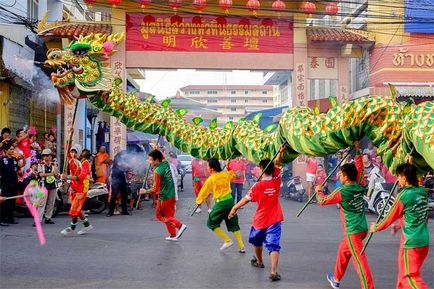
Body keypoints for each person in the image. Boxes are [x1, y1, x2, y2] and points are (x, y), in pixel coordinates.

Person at [315, 141, 374, 289]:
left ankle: (368, 287)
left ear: (346, 176)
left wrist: (318, 190)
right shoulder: (359, 184)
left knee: (360, 263)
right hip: (362, 229)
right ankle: (335, 279)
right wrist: (357, 151)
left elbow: (322, 201)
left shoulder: (343, 191)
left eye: (340, 174)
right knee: (343, 252)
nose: (338, 176)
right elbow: (360, 168)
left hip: (353, 232)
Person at [228, 146, 285, 282]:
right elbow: (277, 163)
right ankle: (273, 272)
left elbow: (245, 200)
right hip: (275, 219)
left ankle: (259, 261)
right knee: (273, 245)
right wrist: (281, 152)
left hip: (260, 221)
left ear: (261, 169)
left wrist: (234, 208)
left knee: (257, 242)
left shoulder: (257, 186)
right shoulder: (277, 179)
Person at [370, 163, 429, 289]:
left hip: (411, 244)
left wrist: (376, 226)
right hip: (423, 241)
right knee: (403, 276)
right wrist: (398, 226)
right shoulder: (422, 192)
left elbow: (390, 216)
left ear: (404, 177)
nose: (397, 180)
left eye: (398, 177)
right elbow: (415, 216)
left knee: (409, 277)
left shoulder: (404, 196)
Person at [196, 158, 245, 252]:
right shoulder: (225, 174)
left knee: (211, 222)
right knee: (233, 223)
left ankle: (227, 240)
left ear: (211, 168)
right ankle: (241, 246)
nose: (206, 167)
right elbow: (235, 174)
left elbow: (204, 191)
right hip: (230, 201)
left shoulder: (211, 179)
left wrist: (198, 201)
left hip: (221, 203)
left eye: (207, 166)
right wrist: (228, 167)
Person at [139, 150, 187, 241]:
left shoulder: (157, 171)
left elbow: (154, 189)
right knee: (169, 215)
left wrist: (145, 191)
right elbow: (163, 156)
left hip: (164, 196)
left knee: (161, 216)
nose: (149, 162)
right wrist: (157, 149)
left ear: (157, 160)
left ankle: (180, 226)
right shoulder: (165, 163)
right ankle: (173, 235)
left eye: (151, 160)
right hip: (172, 194)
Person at [60, 145, 93, 236]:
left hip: (82, 189)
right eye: (72, 152)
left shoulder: (85, 163)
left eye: (75, 152)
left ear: (79, 153)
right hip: (74, 188)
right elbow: (67, 148)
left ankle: (72, 227)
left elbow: (81, 177)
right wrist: (71, 133)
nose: (73, 154)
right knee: (77, 209)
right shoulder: (71, 160)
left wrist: (68, 177)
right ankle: (87, 225)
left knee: (74, 210)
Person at [0, 141, 24, 226]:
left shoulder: (14, 159)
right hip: (5, 184)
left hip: (14, 184)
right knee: (4, 202)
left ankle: (10, 218)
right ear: (6, 150)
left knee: (12, 202)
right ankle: (2, 219)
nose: (12, 150)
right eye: (10, 149)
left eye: (13, 149)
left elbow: (20, 166)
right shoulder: (2, 159)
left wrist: (23, 158)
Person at [37, 149, 58, 224]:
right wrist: (51, 174)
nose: (46, 157)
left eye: (47, 155)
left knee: (51, 202)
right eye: (44, 155)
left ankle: (48, 218)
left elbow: (56, 174)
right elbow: (40, 174)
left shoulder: (53, 164)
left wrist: (55, 164)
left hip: (53, 185)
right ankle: (38, 220)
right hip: (43, 185)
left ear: (51, 156)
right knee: (41, 203)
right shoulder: (40, 164)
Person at [107, 151, 129, 217]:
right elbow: (121, 165)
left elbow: (126, 169)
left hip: (122, 179)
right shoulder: (117, 160)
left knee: (124, 195)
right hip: (115, 179)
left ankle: (125, 211)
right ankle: (110, 212)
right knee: (113, 196)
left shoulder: (123, 160)